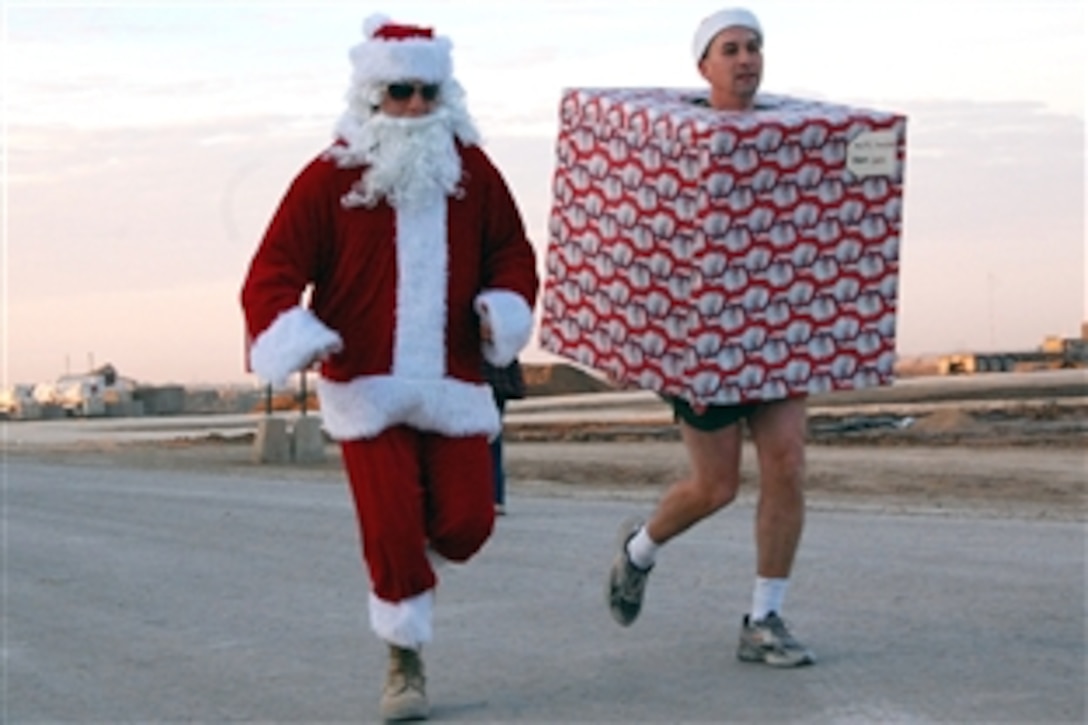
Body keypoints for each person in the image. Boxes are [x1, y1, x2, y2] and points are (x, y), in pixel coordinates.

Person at [240, 13, 538, 720]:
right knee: (393, 521)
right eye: (399, 92)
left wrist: (503, 306)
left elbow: (514, 252)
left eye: (428, 93)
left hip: (454, 383)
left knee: (467, 522)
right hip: (366, 387)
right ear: (371, 96)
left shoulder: (473, 173)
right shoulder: (326, 180)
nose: (414, 108)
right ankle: (405, 658)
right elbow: (271, 273)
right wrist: (294, 332)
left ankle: (406, 564)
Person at [606, 7, 815, 668]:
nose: (747, 58)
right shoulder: (677, 140)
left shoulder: (790, 138)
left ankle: (765, 617)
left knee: (787, 464)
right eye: (731, 49)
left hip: (776, 329)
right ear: (704, 66)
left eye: (755, 47)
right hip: (704, 340)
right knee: (715, 486)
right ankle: (639, 548)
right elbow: (645, 233)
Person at [482, 359, 527, 515]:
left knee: (481, 441)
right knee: (494, 441)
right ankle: (496, 497)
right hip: (499, 380)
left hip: (480, 380)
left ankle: (492, 496)